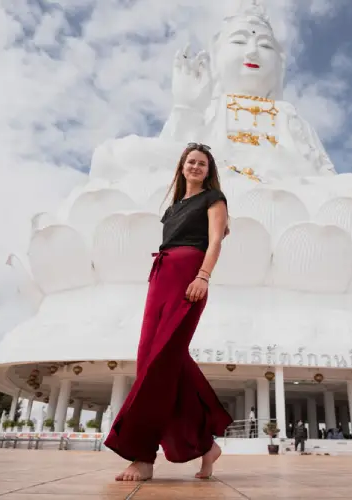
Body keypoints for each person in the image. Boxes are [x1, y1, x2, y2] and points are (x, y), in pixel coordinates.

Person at [104, 143, 233, 482]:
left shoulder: (214, 198)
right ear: (181, 166)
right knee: (152, 358)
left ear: (208, 170)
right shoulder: (173, 207)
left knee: (162, 359)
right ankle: (206, 447)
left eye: (201, 163)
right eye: (190, 161)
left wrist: (203, 276)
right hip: (160, 277)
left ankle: (142, 456)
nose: (195, 167)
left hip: (190, 276)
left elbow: (216, 240)